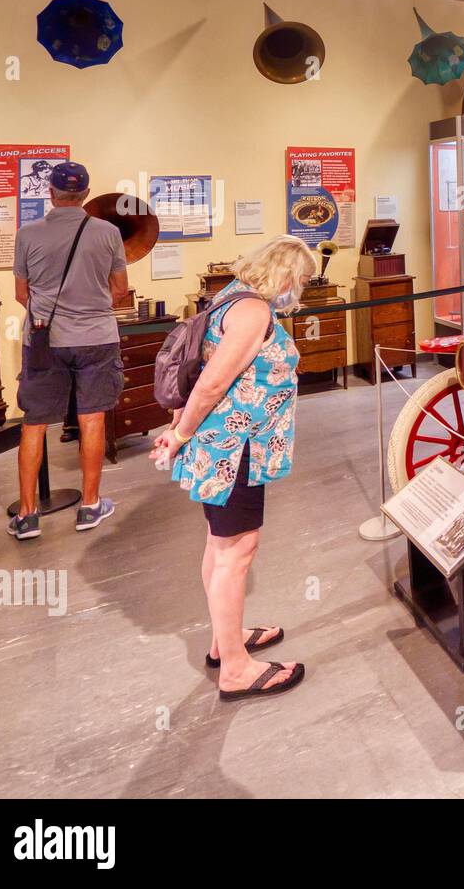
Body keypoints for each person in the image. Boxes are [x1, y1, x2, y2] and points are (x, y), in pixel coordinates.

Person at [150, 235, 314, 701]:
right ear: (283, 274)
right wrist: (179, 434)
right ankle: (237, 670)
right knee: (237, 551)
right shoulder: (253, 311)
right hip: (235, 445)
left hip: (220, 442)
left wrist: (180, 428)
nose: (295, 290)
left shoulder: (229, 296)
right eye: (297, 281)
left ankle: (227, 640)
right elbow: (213, 380)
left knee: (220, 545)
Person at [10, 162, 129, 540]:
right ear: (86, 195)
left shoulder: (27, 234)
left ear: (51, 193)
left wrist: (51, 315)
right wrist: (90, 309)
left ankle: (28, 515)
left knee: (35, 422)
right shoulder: (108, 232)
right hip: (96, 336)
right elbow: (120, 290)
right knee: (92, 418)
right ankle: (90, 505)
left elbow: (20, 294)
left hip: (45, 340)